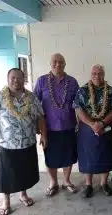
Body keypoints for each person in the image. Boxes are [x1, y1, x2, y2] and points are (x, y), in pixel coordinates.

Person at [0, 68, 47, 215]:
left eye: (19, 78)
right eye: (13, 78)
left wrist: (44, 135)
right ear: (8, 79)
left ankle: (23, 194)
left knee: (24, 172)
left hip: (27, 143)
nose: (16, 80)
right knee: (6, 174)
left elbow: (40, 117)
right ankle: (6, 201)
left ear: (23, 79)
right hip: (6, 145)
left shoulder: (31, 98)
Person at [34, 53, 79, 196]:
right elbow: (35, 105)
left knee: (68, 156)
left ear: (65, 64)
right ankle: (53, 182)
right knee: (51, 157)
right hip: (49, 128)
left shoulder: (72, 82)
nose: (58, 64)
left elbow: (79, 104)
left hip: (69, 126)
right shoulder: (41, 81)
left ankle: (66, 181)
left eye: (61, 62)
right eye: (55, 62)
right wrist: (38, 127)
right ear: (50, 63)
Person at [73, 64, 112, 198]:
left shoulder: (110, 91)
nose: (96, 76)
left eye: (99, 74)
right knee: (88, 156)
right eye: (94, 74)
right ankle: (88, 184)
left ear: (104, 75)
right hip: (87, 128)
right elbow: (78, 109)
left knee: (105, 154)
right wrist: (92, 124)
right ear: (90, 75)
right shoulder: (82, 90)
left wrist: (102, 123)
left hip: (106, 127)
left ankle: (104, 183)